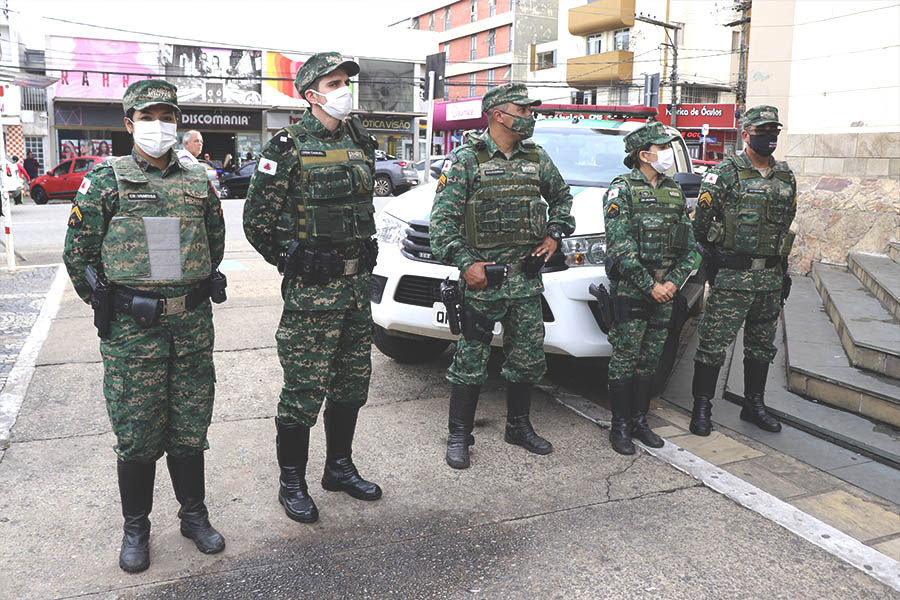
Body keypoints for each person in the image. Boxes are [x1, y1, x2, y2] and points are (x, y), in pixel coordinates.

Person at [62, 80, 227, 573]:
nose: (161, 125)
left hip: (192, 325)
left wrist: (184, 286)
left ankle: (193, 516)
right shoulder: (105, 181)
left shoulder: (198, 180)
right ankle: (136, 526)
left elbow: (214, 243)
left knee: (190, 427)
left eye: (168, 116)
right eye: (149, 116)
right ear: (130, 124)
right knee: (137, 433)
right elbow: (79, 255)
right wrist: (118, 305)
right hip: (133, 333)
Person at [243, 52, 382, 525]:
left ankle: (339, 468)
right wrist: (289, 259)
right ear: (312, 94)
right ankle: (292, 482)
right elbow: (256, 222)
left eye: (347, 81)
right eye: (336, 82)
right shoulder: (286, 147)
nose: (345, 89)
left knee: (351, 384)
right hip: (312, 291)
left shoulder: (360, 139)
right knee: (303, 389)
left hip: (356, 287)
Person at [429, 83, 575, 470]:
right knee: (471, 360)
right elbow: (441, 223)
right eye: (523, 110)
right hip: (482, 283)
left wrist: (554, 234)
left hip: (525, 282)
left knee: (527, 357)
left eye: (530, 111)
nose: (530, 117)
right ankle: (459, 434)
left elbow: (562, 198)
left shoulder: (537, 158)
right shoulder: (465, 160)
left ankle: (518, 426)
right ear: (498, 114)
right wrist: (466, 265)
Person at [690, 105, 796, 436]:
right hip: (732, 278)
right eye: (762, 131)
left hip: (770, 279)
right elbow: (701, 225)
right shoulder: (724, 173)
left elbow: (785, 224)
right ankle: (702, 407)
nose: (769, 137)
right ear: (746, 134)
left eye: (774, 131)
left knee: (762, 345)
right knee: (713, 344)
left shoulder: (785, 176)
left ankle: (754, 405)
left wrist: (782, 272)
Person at [600, 121, 697, 455]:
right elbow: (619, 246)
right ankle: (621, 427)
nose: (667, 153)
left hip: (665, 294)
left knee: (650, 360)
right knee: (625, 360)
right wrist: (649, 285)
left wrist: (671, 283)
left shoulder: (673, 190)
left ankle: (640, 422)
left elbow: (691, 248)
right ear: (644, 154)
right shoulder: (621, 189)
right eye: (662, 148)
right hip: (631, 292)